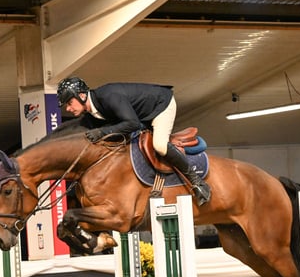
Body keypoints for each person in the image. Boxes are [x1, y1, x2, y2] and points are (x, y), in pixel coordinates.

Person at [56, 76, 211, 205]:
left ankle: (197, 181)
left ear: (82, 96)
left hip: (161, 106)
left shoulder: (109, 96)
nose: (68, 109)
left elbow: (132, 124)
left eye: (69, 103)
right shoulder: (91, 112)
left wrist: (102, 132)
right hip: (141, 116)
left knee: (160, 146)